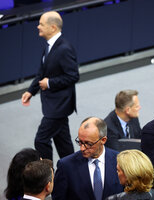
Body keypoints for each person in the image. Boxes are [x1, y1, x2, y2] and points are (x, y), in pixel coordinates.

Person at [21, 11, 79, 160]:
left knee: (41, 140)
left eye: (41, 24)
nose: (38, 26)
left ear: (52, 27)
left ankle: (48, 172)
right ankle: (73, 170)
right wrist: (31, 91)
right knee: (63, 142)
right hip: (54, 104)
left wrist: (50, 83)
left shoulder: (64, 48)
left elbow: (73, 76)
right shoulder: (49, 46)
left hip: (58, 105)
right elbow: (42, 71)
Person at [52, 117, 123, 200]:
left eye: (88, 144)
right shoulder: (66, 165)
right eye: (80, 142)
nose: (82, 148)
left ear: (103, 140)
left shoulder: (120, 161)